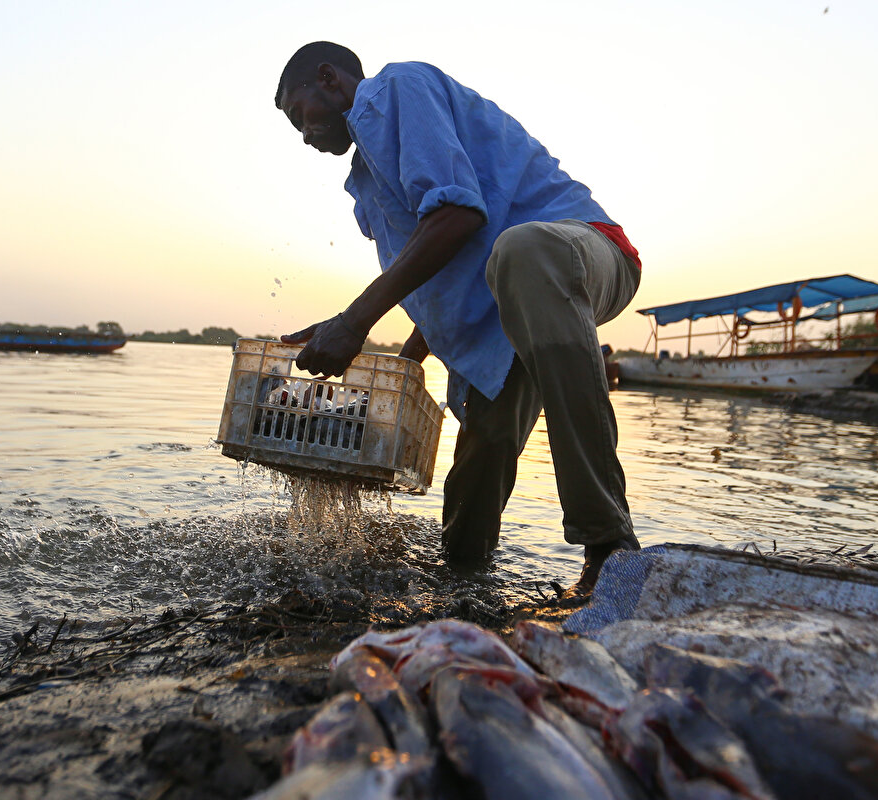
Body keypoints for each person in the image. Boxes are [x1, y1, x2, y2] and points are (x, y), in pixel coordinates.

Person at [274, 42, 642, 603]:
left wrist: (353, 322)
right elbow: (434, 273)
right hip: (503, 312)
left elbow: (458, 216)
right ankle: (462, 590)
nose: (304, 135)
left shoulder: (392, 90)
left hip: (583, 252)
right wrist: (406, 362)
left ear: (328, 78)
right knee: (479, 465)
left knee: (525, 250)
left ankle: (609, 547)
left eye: (300, 114)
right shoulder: (368, 177)